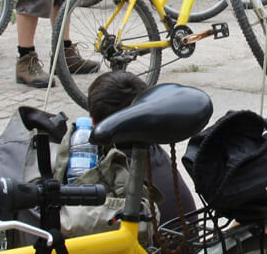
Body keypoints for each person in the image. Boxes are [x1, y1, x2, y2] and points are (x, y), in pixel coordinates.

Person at [84, 71, 196, 229]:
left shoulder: (108, 173)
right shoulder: (156, 152)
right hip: (188, 249)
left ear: (94, 124)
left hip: (148, 251)